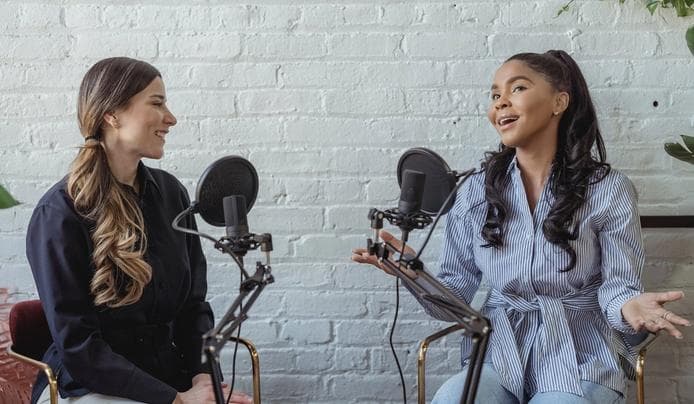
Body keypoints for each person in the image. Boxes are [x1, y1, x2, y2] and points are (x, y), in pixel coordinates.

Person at [352, 50, 690, 403]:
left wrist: (629, 307)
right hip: (499, 351)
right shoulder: (473, 190)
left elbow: (618, 286)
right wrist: (412, 272)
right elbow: (455, 297)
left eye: (517, 89)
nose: (501, 103)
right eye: (495, 95)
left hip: (580, 354)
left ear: (559, 102)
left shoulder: (608, 189)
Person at [25, 57, 252, 404]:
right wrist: (175, 400)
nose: (171, 118)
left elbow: (193, 308)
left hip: (171, 377)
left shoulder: (172, 195)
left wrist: (204, 381)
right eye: (157, 103)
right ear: (112, 115)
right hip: (91, 388)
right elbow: (79, 347)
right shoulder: (58, 214)